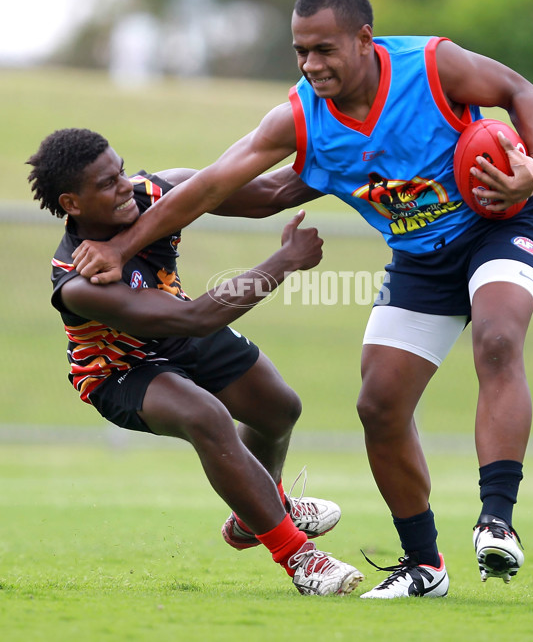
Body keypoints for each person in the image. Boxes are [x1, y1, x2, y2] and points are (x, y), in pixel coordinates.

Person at [71, 0, 533, 598]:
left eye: (324, 49)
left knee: (495, 340)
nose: (310, 63)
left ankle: (497, 522)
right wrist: (124, 240)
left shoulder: (432, 65)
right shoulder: (301, 119)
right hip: (420, 258)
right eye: (301, 50)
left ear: (363, 39)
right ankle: (423, 566)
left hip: (501, 224)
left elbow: (518, 89)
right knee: (377, 405)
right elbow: (227, 185)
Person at [26, 127, 365, 597]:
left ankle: (260, 511)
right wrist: (284, 261)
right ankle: (300, 557)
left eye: (121, 170)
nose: (125, 185)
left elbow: (270, 192)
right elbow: (196, 317)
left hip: (179, 335)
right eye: (106, 184)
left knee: (279, 408)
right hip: (119, 369)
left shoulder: (158, 191)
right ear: (72, 203)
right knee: (206, 416)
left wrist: (361, 160)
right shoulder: (79, 283)